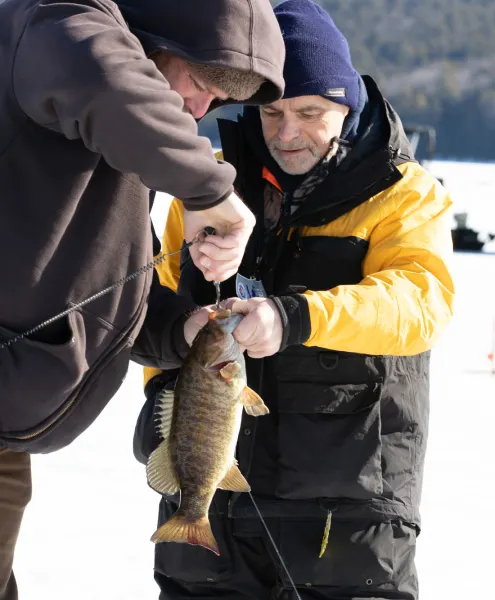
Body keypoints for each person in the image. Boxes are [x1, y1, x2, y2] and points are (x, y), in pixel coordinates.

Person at [133, 1, 455, 598]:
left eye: (310, 113)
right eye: (272, 112)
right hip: (212, 504)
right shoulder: (209, 192)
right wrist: (163, 404)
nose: (286, 133)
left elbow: (420, 304)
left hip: (349, 514)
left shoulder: (405, 194)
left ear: (348, 104)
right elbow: (162, 309)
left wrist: (295, 317)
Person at [0, 0, 286, 598]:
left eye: (218, 101)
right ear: (154, 37)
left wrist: (178, 333)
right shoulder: (57, 22)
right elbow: (97, 70)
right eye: (201, 83)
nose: (200, 112)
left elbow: (122, 279)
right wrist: (208, 189)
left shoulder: (130, 143)